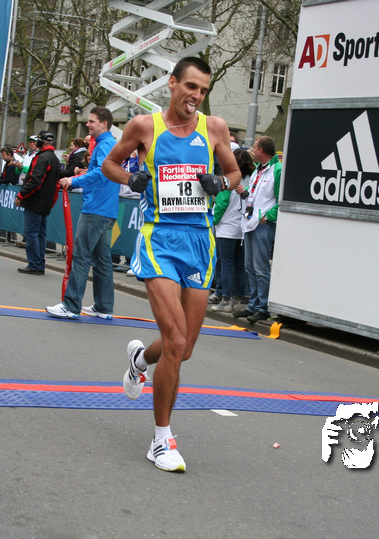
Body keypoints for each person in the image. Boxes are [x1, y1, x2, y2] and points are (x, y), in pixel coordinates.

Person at [101, 57, 240, 472]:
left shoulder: (214, 128)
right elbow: (109, 164)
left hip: (200, 242)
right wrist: (131, 179)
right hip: (159, 239)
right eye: (191, 87)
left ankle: (140, 361)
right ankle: (161, 439)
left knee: (184, 349)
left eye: (203, 90)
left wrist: (221, 182)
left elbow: (235, 173)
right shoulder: (145, 126)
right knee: (176, 341)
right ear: (173, 83)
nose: (196, 96)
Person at [46, 106, 120, 319]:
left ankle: (71, 306)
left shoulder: (104, 145)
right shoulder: (108, 144)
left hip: (96, 209)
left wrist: (74, 180)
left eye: (91, 121)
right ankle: (104, 307)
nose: (87, 124)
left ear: (104, 123)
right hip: (106, 209)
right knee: (102, 260)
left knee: (81, 256)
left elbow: (102, 173)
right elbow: (103, 172)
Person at [233, 136, 281, 323]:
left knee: (261, 268)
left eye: (254, 147)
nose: (252, 150)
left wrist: (268, 217)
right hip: (250, 222)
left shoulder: (277, 170)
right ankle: (253, 305)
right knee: (250, 267)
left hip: (262, 225)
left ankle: (263, 307)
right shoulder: (258, 170)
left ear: (261, 150)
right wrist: (244, 193)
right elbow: (255, 196)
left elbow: (280, 199)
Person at [211, 147, 254, 312]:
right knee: (240, 265)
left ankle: (226, 300)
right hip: (243, 226)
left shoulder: (230, 178)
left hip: (226, 226)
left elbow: (221, 203)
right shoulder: (252, 178)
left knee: (226, 264)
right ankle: (237, 300)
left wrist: (213, 220)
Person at [13, 131, 60, 275]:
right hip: (45, 202)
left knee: (31, 233)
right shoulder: (54, 158)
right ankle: (39, 263)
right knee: (40, 234)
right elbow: (56, 183)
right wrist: (52, 201)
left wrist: (21, 195)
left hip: (35, 201)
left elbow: (35, 181)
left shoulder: (42, 158)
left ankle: (34, 264)